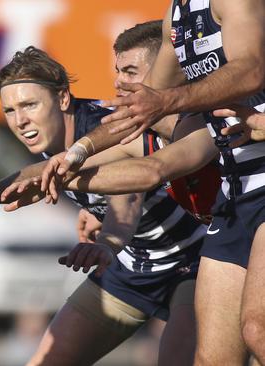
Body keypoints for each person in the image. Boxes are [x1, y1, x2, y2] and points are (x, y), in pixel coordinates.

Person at [36, 1, 265, 363]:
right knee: (213, 358)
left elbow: (252, 70)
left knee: (258, 329)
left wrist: (167, 100)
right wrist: (78, 151)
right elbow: (139, 108)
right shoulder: (177, 15)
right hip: (234, 194)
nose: (120, 82)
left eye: (130, 71)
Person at [0, 40, 204, 365]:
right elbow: (44, 175)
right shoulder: (51, 139)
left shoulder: (105, 126)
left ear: (62, 98)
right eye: (10, 110)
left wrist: (108, 242)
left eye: (30, 105)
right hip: (134, 266)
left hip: (193, 261)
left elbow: (128, 194)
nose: (20, 121)